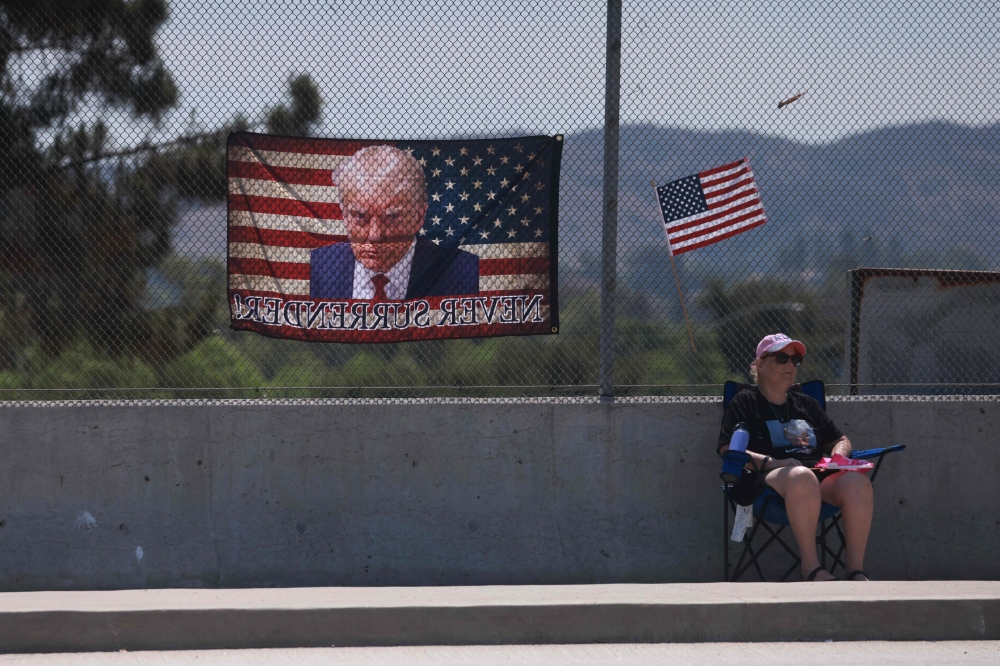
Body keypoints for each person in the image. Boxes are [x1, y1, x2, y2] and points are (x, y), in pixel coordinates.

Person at [718, 333, 874, 582]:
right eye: (781, 358)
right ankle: (811, 568)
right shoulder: (745, 401)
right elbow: (729, 449)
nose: (790, 364)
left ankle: (855, 570)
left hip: (818, 475)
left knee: (857, 483)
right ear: (760, 365)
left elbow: (840, 440)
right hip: (768, 481)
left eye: (795, 359)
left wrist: (837, 457)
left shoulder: (807, 404)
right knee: (801, 477)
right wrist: (774, 462)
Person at [309, 145, 479, 300]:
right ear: (344, 216)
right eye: (360, 217)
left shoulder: (463, 272)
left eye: (391, 218)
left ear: (419, 217)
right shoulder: (316, 267)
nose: (375, 236)